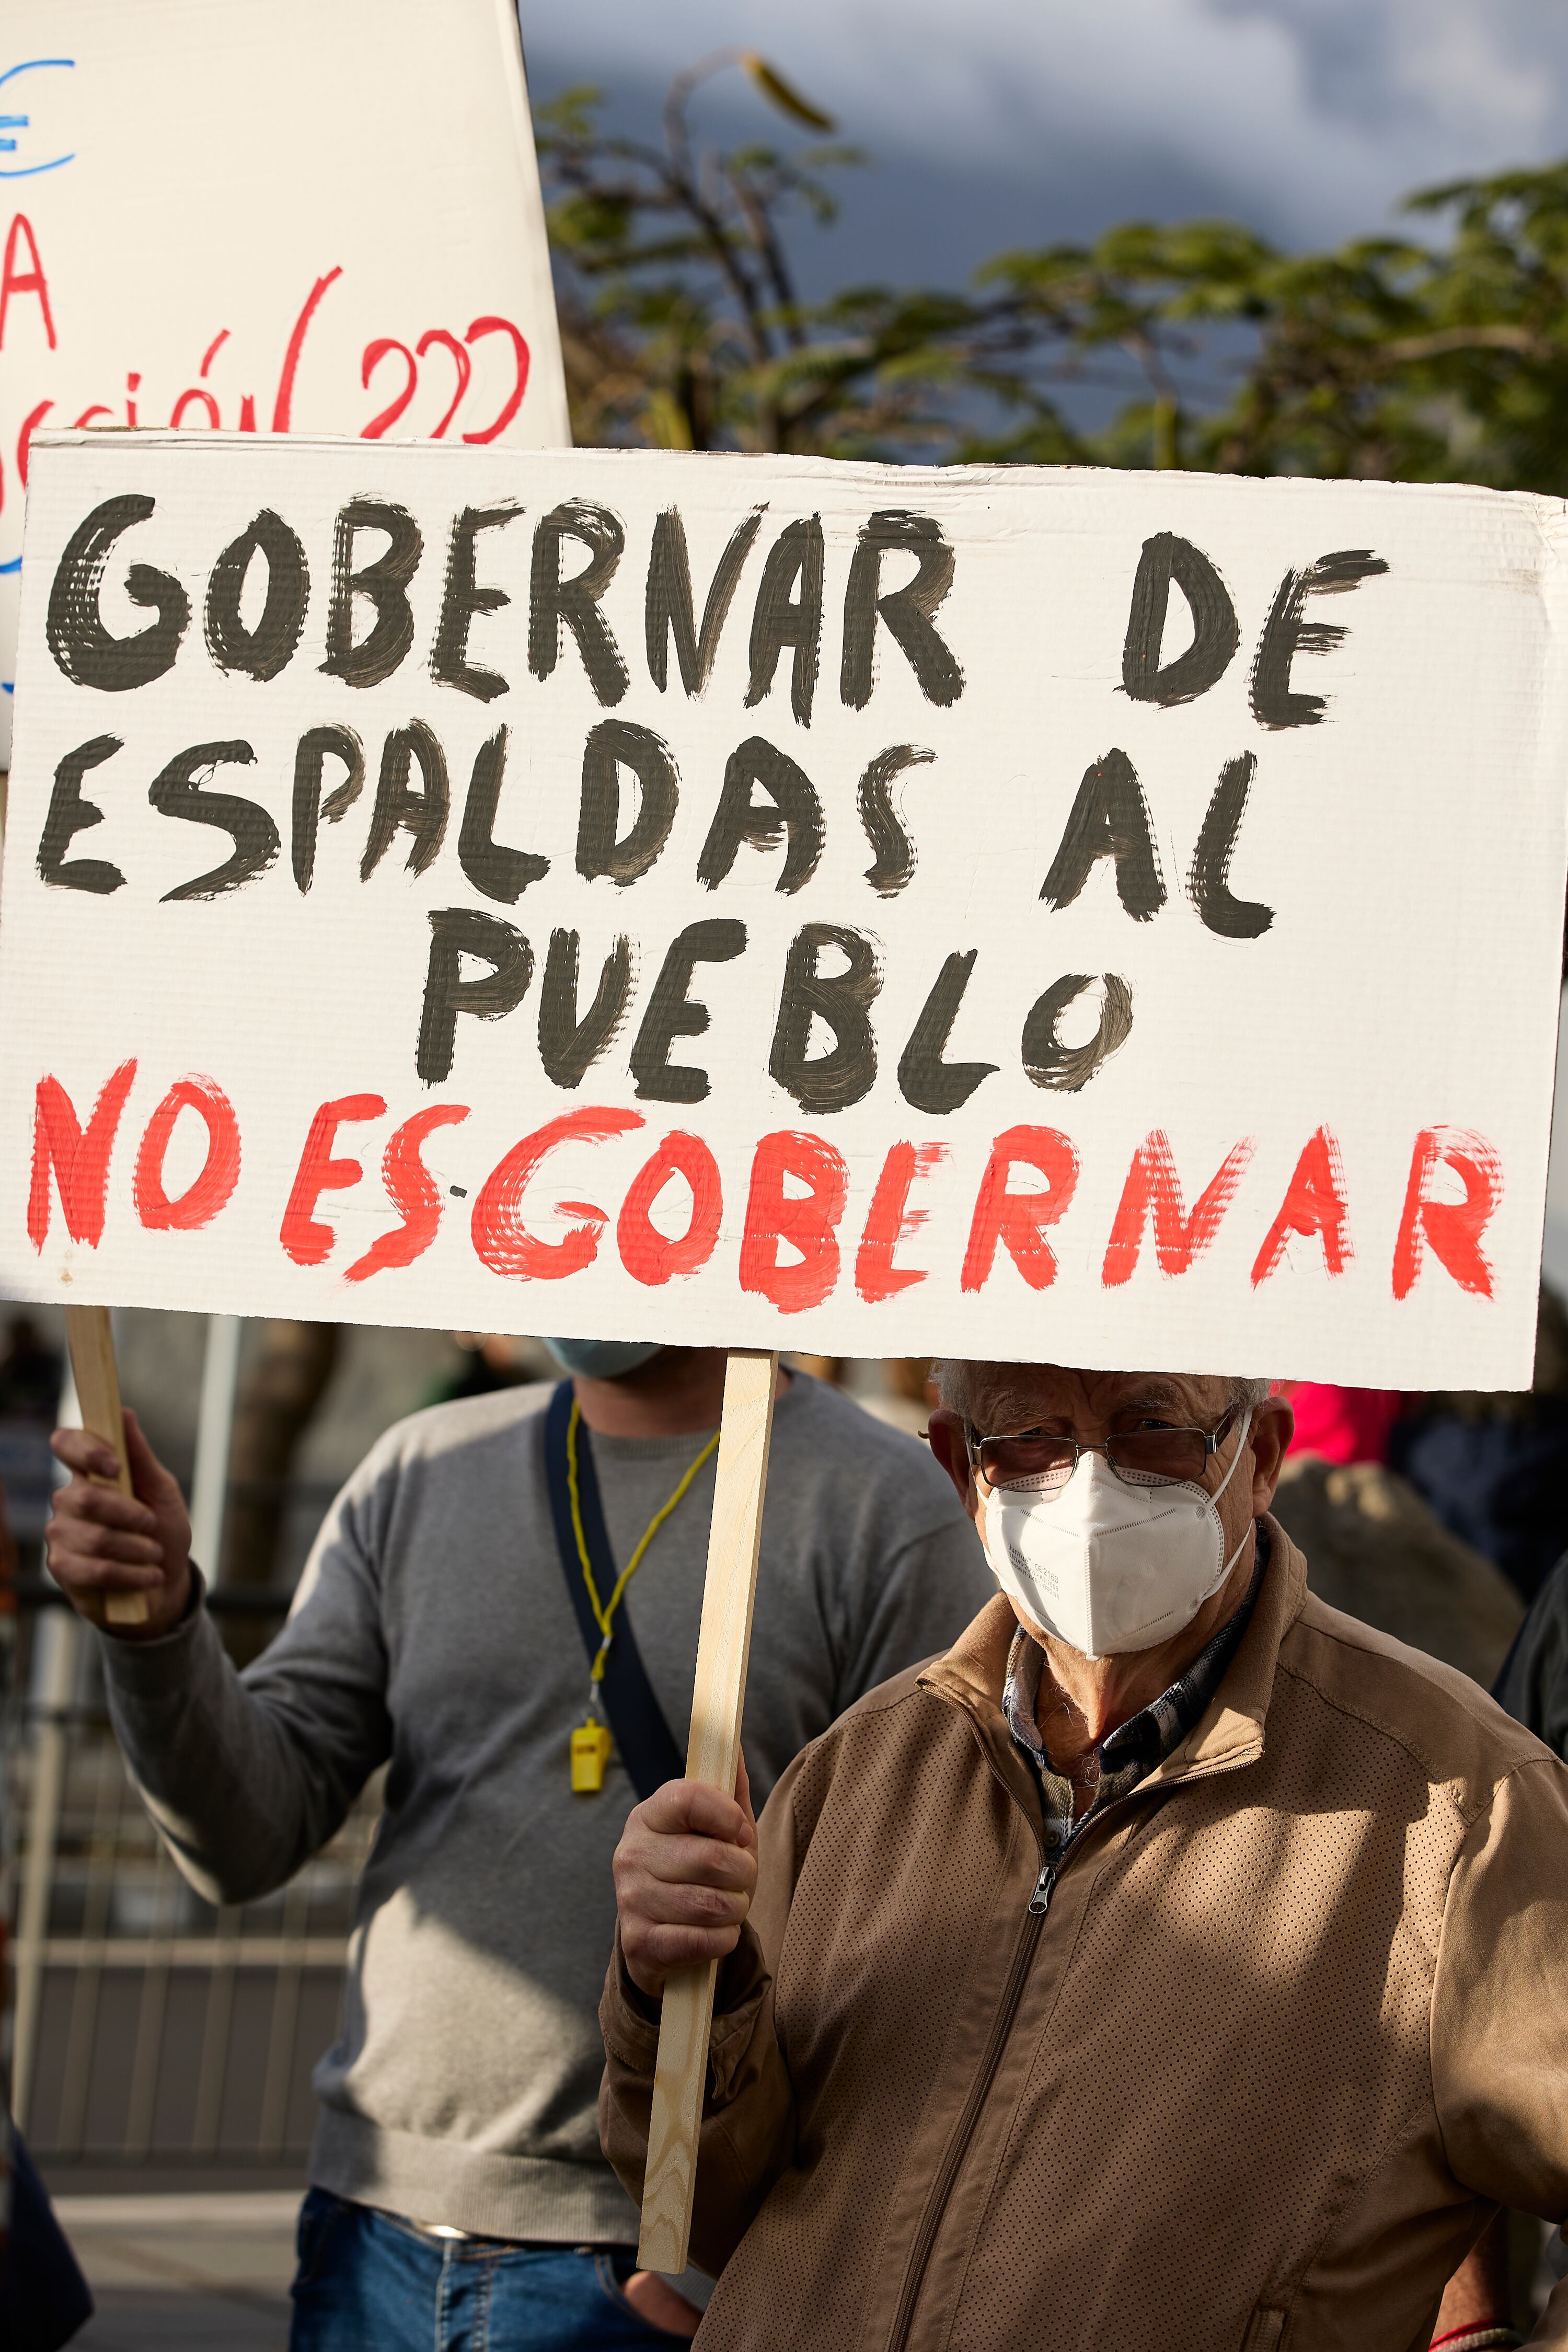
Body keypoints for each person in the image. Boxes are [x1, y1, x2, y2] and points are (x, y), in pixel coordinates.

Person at [603, 1360, 1568, 2351]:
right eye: (1031, 1438)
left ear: (1262, 1455)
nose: (1091, 1487)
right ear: (957, 1466)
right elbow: (708, 2207)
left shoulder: (1458, 1799)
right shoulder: (862, 1768)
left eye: (1155, 1428)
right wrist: (680, 1989)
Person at [45, 1342, 989, 2351]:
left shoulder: (889, 1503)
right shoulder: (420, 1469)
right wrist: (154, 1630)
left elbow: (926, 1944)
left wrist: (723, 2272)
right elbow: (245, 1836)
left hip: (659, 2263)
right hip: (372, 2235)